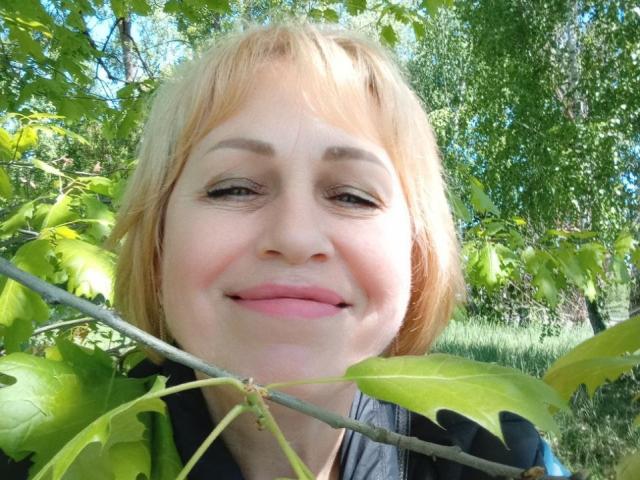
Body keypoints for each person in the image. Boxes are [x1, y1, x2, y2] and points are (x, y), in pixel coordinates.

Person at [0, 21, 567, 480]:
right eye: (234, 188)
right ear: (157, 243)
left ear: (417, 255)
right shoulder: (47, 453)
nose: (295, 237)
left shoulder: (498, 458)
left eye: (352, 196)